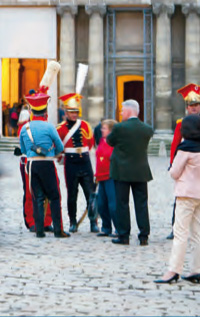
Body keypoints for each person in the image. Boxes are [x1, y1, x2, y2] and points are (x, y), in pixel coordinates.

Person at [155, 115, 200, 284]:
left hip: (186, 193)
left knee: (180, 233)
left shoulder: (185, 148)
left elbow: (174, 172)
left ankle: (174, 270)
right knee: (197, 233)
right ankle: (197, 269)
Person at [167, 84, 200, 239]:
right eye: (191, 105)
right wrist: (173, 163)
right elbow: (175, 144)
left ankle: (198, 228)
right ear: (187, 107)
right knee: (180, 197)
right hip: (185, 164)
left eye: (196, 105)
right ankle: (176, 229)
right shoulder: (181, 123)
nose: (194, 108)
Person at [18, 93, 67, 238]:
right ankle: (58, 230)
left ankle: (39, 230)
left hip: (32, 164)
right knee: (54, 196)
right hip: (47, 164)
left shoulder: (24, 128)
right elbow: (59, 146)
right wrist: (52, 151)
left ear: (31, 111)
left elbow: (23, 149)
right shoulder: (49, 127)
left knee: (37, 197)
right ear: (45, 111)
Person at [108, 99, 153, 246]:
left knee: (122, 203)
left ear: (128, 110)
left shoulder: (119, 128)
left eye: (122, 110)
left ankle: (124, 235)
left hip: (122, 171)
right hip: (140, 171)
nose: (121, 113)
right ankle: (144, 235)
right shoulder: (147, 129)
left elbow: (110, 141)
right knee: (141, 204)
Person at [57, 93, 97, 234]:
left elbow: (90, 143)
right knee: (72, 194)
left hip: (85, 162)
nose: (74, 115)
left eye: (76, 112)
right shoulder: (60, 128)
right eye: (71, 112)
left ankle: (94, 222)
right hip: (71, 163)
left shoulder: (85, 125)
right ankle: (73, 222)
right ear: (66, 112)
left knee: (91, 194)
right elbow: (57, 146)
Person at [95, 119, 117, 238]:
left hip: (111, 176)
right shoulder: (101, 140)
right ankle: (106, 227)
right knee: (102, 204)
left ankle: (118, 228)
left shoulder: (115, 143)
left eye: (104, 128)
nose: (101, 130)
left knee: (113, 204)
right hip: (101, 176)